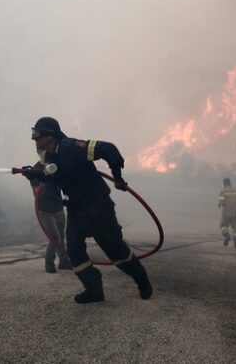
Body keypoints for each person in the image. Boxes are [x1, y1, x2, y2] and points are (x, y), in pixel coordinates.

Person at [24, 117, 152, 304]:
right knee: (75, 253)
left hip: (98, 209)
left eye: (38, 136)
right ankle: (94, 289)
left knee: (117, 253)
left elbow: (108, 149)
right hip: (77, 211)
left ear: (50, 136)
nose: (35, 141)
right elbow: (53, 184)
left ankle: (142, 280)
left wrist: (117, 177)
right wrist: (35, 177)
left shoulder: (72, 147)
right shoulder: (49, 159)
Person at [30, 160, 72, 273]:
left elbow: (63, 183)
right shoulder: (36, 169)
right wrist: (40, 189)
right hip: (45, 210)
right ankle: (49, 262)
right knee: (54, 238)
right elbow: (36, 192)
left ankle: (63, 261)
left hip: (58, 207)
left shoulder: (56, 165)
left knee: (61, 236)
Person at [217, 178, 236, 248]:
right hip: (234, 213)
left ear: (224, 183)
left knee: (223, 226)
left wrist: (219, 204)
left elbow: (222, 202)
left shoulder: (223, 191)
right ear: (230, 183)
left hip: (226, 213)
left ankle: (227, 235)